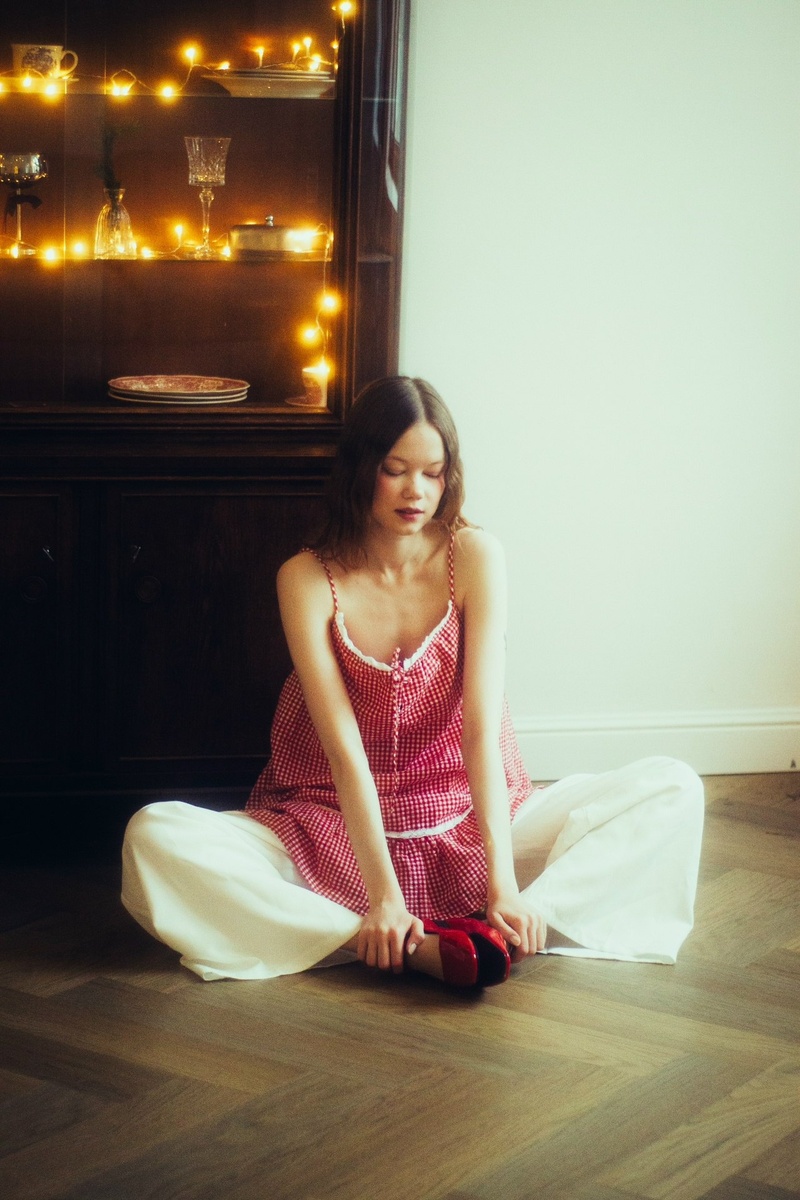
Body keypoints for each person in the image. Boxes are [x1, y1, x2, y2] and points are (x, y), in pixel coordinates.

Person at [122, 376, 704, 987]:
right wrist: (383, 898)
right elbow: (344, 755)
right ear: (360, 469)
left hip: (467, 817)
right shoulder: (306, 577)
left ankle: (509, 926)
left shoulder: (475, 556)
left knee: (672, 787)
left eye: (433, 473)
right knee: (154, 836)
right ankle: (398, 942)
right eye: (395, 470)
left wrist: (504, 886)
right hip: (332, 825)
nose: (416, 492)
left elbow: (480, 733)